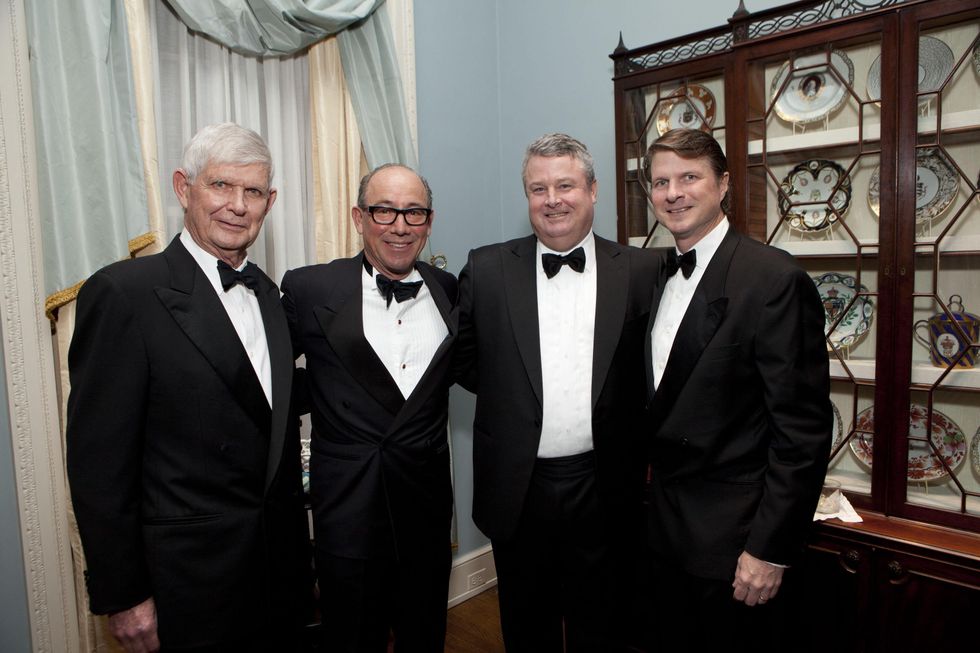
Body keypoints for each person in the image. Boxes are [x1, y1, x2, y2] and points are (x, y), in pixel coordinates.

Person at [66, 123, 310, 652]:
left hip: (277, 573)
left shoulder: (270, 296)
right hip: (188, 584)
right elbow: (99, 466)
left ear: (270, 202)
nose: (237, 206)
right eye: (221, 186)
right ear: (183, 188)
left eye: (252, 192)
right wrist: (123, 594)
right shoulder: (123, 294)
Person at [456, 133, 658, 651]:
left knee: (604, 620)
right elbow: (468, 361)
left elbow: (654, 373)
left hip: (605, 481)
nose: (552, 200)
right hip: (518, 485)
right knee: (526, 622)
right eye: (537, 188)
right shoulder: (486, 267)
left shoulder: (641, 271)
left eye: (565, 185)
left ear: (592, 190)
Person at [643, 128, 832, 651]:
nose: (673, 192)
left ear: (723, 184)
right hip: (664, 530)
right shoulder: (654, 274)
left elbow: (802, 432)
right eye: (661, 181)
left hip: (735, 542)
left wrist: (769, 550)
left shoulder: (773, 279)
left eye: (689, 177)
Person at [281, 164, 457, 653]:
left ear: (428, 220)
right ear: (359, 217)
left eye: (413, 213)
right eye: (384, 210)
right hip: (347, 511)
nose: (399, 226)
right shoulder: (309, 289)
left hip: (424, 511)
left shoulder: (449, 290)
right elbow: (268, 381)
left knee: (425, 635)